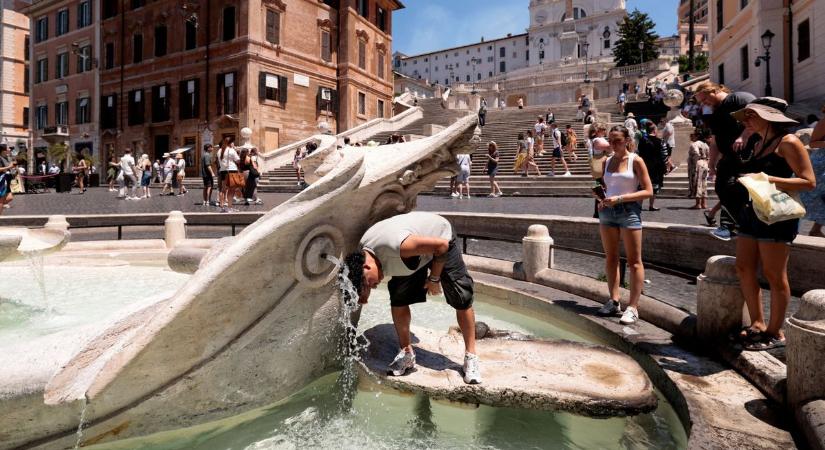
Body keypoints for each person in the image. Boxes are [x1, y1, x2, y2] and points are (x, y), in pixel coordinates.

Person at [343, 211, 482, 384]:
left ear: (366, 266)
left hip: (440, 238)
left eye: (370, 285)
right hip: (414, 254)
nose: (373, 286)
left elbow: (441, 247)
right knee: (398, 299)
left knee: (461, 296)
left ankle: (471, 356)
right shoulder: (364, 257)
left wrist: (434, 278)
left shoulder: (398, 247)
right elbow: (364, 283)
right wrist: (362, 296)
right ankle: (406, 353)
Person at [730, 100, 815, 350]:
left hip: (777, 216)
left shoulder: (788, 142)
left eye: (750, 116)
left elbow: (808, 181)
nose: (745, 121)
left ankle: (775, 332)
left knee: (774, 275)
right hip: (752, 212)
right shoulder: (757, 142)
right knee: (743, 267)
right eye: (744, 117)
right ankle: (757, 323)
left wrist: (766, 179)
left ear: (769, 117)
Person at [595, 125, 654, 325]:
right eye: (610, 141)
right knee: (611, 258)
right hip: (608, 213)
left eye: (618, 140)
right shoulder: (607, 161)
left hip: (629, 212)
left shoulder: (636, 160)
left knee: (634, 261)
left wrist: (620, 198)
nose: (613, 145)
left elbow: (648, 191)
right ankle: (614, 300)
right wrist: (601, 195)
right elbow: (608, 186)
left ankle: (633, 307)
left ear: (627, 140)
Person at [693, 81, 756, 240]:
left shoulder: (738, 99)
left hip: (747, 154)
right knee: (722, 187)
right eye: (701, 102)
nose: (704, 103)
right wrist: (712, 163)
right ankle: (731, 225)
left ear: (712, 91)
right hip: (728, 156)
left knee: (736, 188)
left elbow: (756, 119)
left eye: (704, 99)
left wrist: (743, 136)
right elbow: (715, 141)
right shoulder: (715, 113)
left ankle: (731, 226)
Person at [801, 106, 825, 237]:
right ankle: (815, 230)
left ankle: (816, 230)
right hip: (822, 164)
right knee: (818, 196)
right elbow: (813, 143)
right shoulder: (824, 122)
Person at [636, 122, 666, 211]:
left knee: (642, 185)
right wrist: (664, 167)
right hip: (656, 167)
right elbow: (663, 155)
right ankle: (651, 205)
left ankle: (639, 205)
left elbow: (638, 153)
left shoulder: (642, 140)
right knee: (654, 186)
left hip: (643, 166)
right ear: (654, 130)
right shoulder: (659, 141)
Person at [687, 132, 710, 210]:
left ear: (696, 136)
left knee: (697, 182)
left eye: (692, 136)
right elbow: (708, 154)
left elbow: (696, 153)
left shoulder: (694, 144)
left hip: (698, 163)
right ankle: (704, 203)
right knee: (704, 183)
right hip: (705, 163)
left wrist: (694, 162)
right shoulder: (705, 144)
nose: (691, 137)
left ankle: (698, 204)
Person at [219, 137, 240, 212]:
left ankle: (222, 206)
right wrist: (236, 151)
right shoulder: (231, 150)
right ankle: (229, 207)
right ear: (230, 143)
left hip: (223, 171)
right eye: (233, 142)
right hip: (231, 170)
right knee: (231, 190)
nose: (233, 144)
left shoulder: (219, 150)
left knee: (223, 189)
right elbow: (238, 160)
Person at [0, 145, 16, 214]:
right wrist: (9, 167)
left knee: (10, 197)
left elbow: (12, 165)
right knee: (1, 200)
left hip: (7, 180)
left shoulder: (6, 157)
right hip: (2, 180)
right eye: (7, 149)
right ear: (3, 150)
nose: (9, 149)